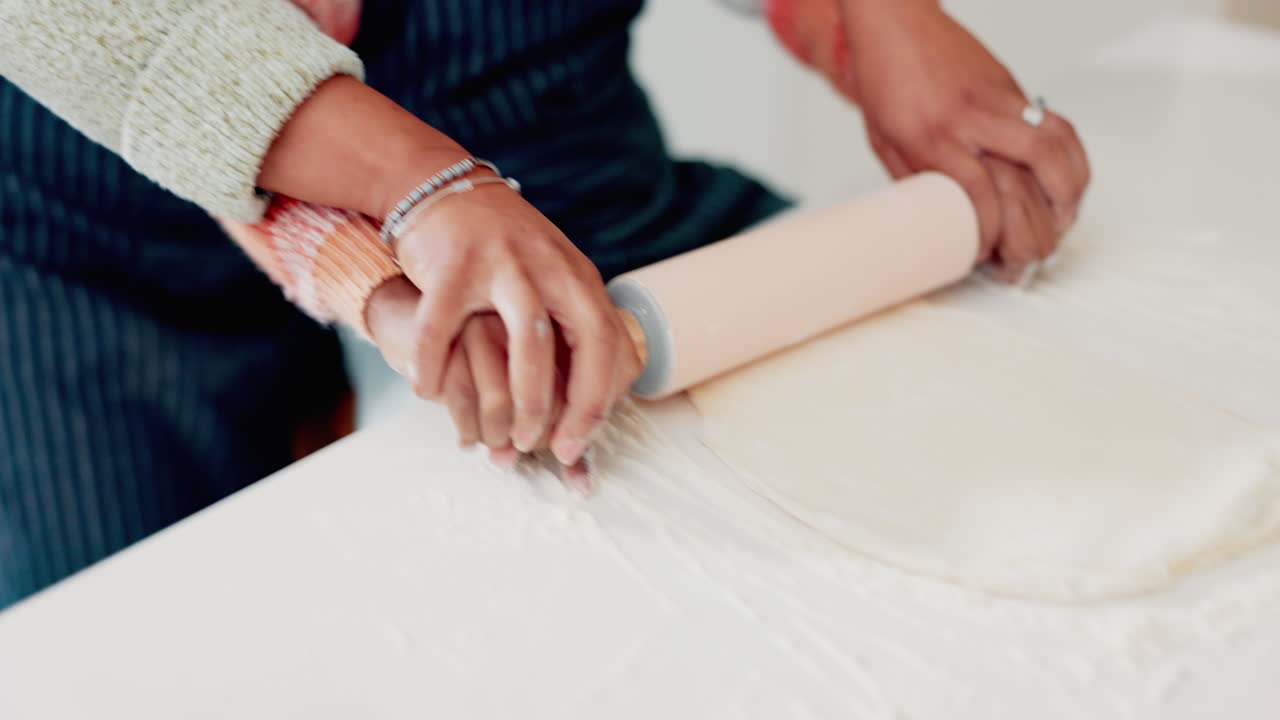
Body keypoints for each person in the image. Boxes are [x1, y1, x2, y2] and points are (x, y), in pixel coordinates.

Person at [0, 0, 1089, 608]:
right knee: (111, 642)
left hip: (529, 105)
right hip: (96, 214)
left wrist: (866, 11)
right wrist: (400, 215)